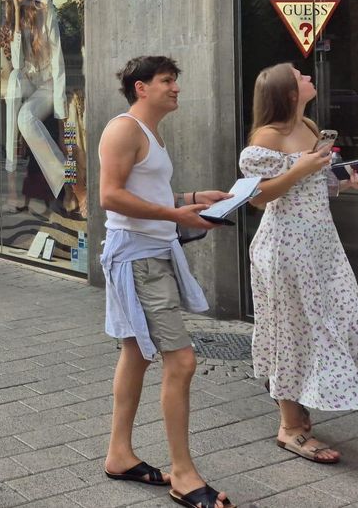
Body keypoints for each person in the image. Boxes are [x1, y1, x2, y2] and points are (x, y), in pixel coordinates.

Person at [98, 56, 233, 508]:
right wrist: (175, 215)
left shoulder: (150, 134)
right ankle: (184, 474)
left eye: (175, 80)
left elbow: (144, 194)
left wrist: (193, 200)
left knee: (135, 352)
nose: (176, 88)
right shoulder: (123, 130)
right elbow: (110, 196)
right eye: (167, 81)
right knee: (182, 362)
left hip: (150, 255)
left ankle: (119, 454)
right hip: (138, 259)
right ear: (141, 88)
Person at [240, 63, 358, 465]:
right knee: (292, 332)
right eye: (299, 75)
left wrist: (347, 181)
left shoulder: (311, 128)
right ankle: (290, 428)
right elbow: (258, 197)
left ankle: (302, 403)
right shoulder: (268, 137)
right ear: (287, 92)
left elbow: (315, 185)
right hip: (285, 246)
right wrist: (298, 167)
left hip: (321, 243)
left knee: (349, 320)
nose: (308, 76)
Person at [4, 0, 68, 202]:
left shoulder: (45, 6)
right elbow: (19, 64)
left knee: (26, 119)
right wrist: (19, 12)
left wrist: (62, 118)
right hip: (29, 81)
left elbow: (59, 62)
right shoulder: (14, 11)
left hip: (49, 83)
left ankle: (66, 179)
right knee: (13, 79)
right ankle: (11, 177)